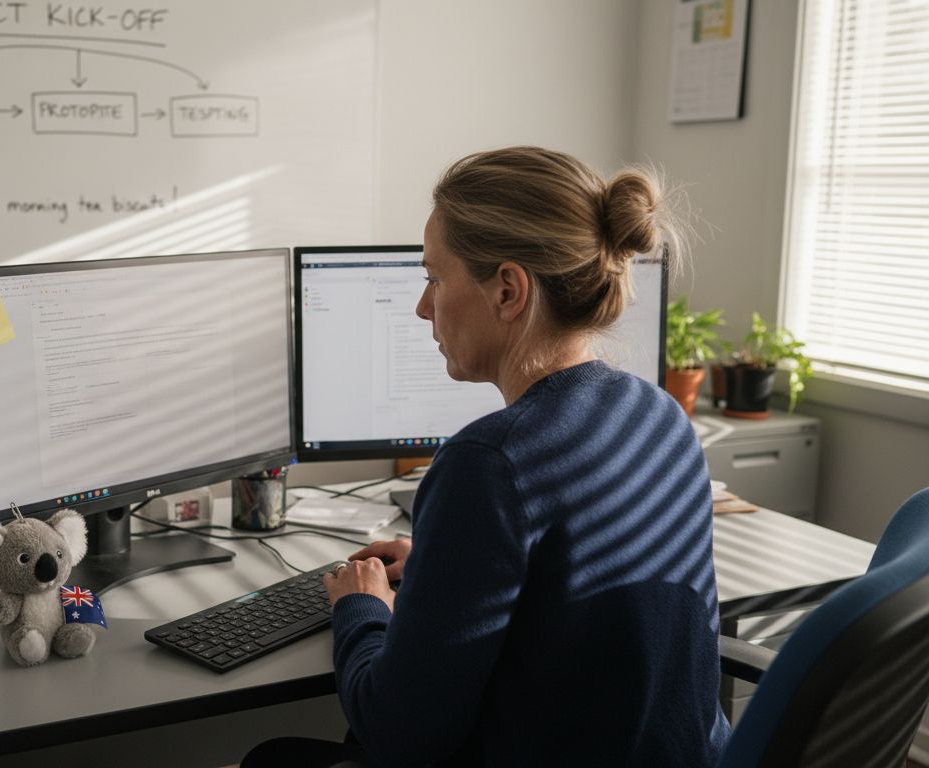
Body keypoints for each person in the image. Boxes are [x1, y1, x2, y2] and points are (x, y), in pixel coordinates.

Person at [242, 147, 728, 767]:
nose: (423, 307)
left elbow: (398, 732)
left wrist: (360, 605)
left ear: (507, 290)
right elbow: (577, 602)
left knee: (272, 757)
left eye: (434, 279)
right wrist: (445, 566)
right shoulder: (659, 413)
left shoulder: (490, 464)